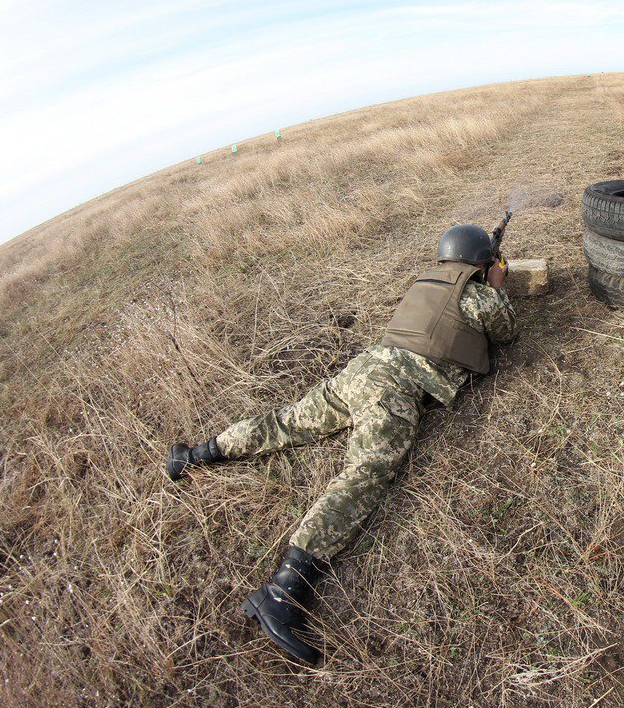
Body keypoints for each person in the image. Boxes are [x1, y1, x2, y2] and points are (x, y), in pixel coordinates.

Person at [166, 224, 518, 664]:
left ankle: (197, 454)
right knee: (365, 475)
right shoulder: (479, 295)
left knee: (289, 421)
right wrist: (499, 283)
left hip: (363, 369)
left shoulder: (425, 281)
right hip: (391, 389)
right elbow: (506, 333)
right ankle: (283, 592)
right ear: (483, 263)